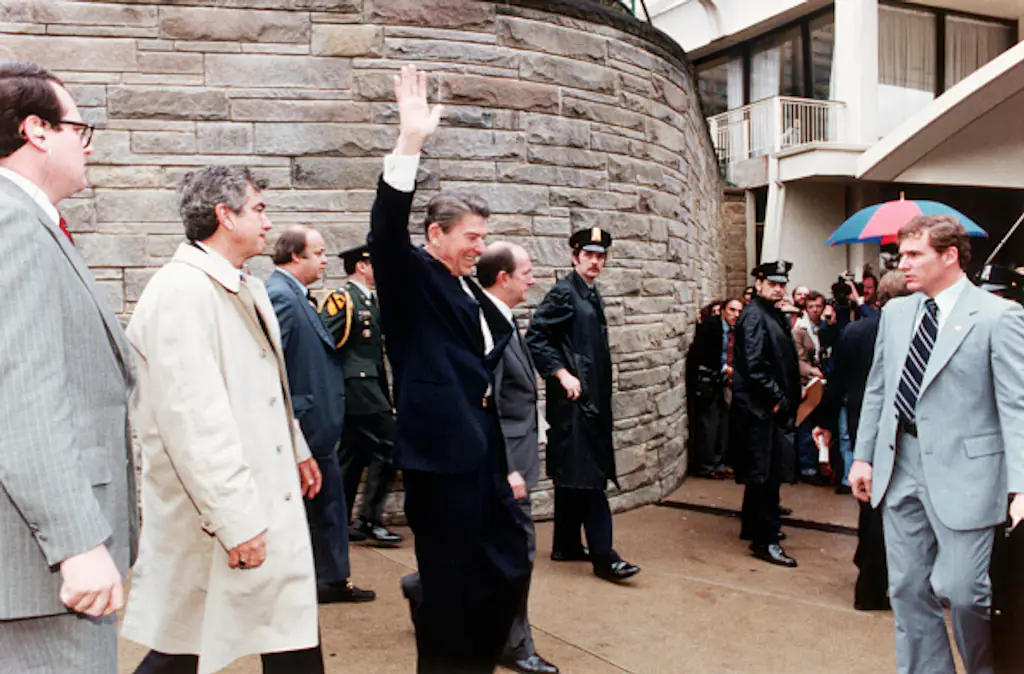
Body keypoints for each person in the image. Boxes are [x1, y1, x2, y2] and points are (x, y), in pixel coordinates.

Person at [121, 166, 325, 674]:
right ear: (223, 215)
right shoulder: (181, 292)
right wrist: (236, 521)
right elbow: (192, 420)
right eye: (257, 208)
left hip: (261, 491)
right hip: (223, 509)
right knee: (186, 642)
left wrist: (296, 447)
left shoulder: (246, 287)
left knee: (287, 632)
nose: (267, 220)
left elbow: (266, 385)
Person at [369, 65, 530, 673]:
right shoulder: (412, 276)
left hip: (481, 457)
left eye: (484, 237)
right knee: (453, 588)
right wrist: (409, 142)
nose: (478, 248)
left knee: (507, 564)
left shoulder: (467, 289)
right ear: (435, 234)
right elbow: (386, 231)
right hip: (439, 461)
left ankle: (451, 630)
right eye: (469, 236)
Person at [0, 60, 138, 673]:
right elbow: (21, 393)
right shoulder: (13, 225)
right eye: (78, 128)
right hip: (41, 564)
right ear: (36, 131)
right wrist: (77, 542)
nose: (85, 146)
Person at [850, 215, 1024, 674]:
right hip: (900, 466)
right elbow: (879, 391)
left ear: (949, 256)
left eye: (913, 255)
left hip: (969, 476)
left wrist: (1021, 486)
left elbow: (1017, 406)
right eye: (901, 255)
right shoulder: (896, 312)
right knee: (907, 589)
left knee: (964, 591)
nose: (901, 265)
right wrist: (863, 456)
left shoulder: (998, 316)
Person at [400, 243, 559, 674]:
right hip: (498, 465)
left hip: (513, 456)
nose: (532, 278)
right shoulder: (478, 319)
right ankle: (515, 643)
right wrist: (505, 467)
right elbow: (484, 402)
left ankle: (422, 586)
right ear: (502, 277)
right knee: (514, 555)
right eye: (525, 271)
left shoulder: (502, 319)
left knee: (492, 552)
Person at [526, 227, 641, 583]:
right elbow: (535, 337)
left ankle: (566, 545)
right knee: (589, 477)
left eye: (600, 256)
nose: (595, 262)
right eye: (589, 255)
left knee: (572, 474)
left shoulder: (588, 294)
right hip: (575, 401)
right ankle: (605, 558)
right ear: (575, 257)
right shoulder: (565, 293)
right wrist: (561, 373)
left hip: (587, 400)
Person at [267, 226, 375, 603]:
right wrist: (294, 420)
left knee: (329, 505)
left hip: (318, 425)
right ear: (295, 255)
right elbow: (270, 363)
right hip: (304, 425)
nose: (326, 260)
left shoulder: (298, 296)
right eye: (318, 253)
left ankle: (330, 578)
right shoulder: (280, 296)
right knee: (318, 507)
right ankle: (320, 581)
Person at [814, 271, 910, 610]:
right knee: (886, 508)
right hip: (889, 430)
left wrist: (824, 421)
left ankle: (865, 560)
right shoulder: (903, 331)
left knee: (867, 499)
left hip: (860, 427)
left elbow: (835, 381)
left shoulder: (854, 330)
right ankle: (871, 582)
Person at [321, 244, 402, 547]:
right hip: (357, 388)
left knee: (352, 456)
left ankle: (338, 523)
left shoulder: (371, 301)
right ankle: (368, 519)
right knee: (390, 445)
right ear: (361, 266)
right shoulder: (343, 300)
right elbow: (324, 341)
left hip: (371, 387)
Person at [728, 260, 801, 568]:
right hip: (760, 410)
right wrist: (777, 396)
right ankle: (764, 539)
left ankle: (755, 527)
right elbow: (755, 365)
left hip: (764, 407)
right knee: (765, 475)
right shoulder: (756, 315)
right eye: (773, 283)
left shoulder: (768, 313)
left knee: (764, 473)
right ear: (758, 284)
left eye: (782, 284)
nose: (779, 288)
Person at [689, 297, 743, 479]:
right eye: (732, 310)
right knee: (708, 425)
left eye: (738, 311)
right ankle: (706, 465)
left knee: (722, 424)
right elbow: (702, 354)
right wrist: (723, 368)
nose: (735, 315)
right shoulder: (711, 326)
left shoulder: (737, 330)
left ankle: (718, 463)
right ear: (723, 310)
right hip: (708, 381)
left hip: (724, 382)